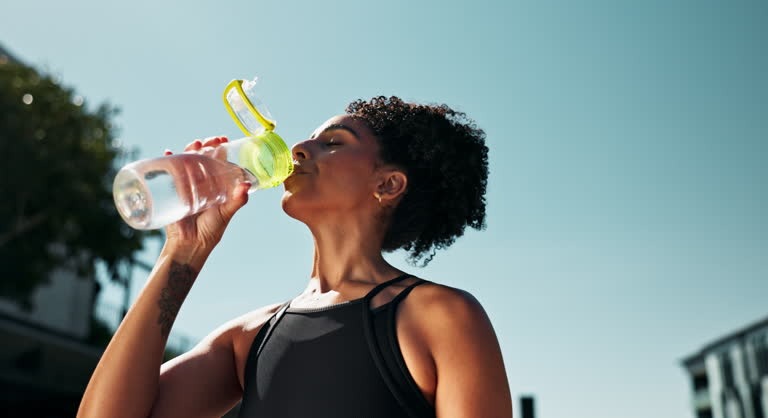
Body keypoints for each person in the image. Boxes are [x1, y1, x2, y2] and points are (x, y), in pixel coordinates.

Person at [78, 96, 513, 417]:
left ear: (388, 185)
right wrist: (184, 252)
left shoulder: (441, 316)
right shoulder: (252, 335)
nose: (299, 148)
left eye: (334, 142)